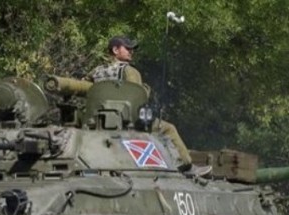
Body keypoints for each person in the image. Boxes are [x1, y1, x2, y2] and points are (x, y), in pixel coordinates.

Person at [89, 36, 211, 177]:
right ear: (115, 50)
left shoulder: (96, 72)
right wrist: (146, 89)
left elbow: (84, 90)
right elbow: (137, 98)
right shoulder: (130, 71)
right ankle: (187, 165)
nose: (131, 51)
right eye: (127, 48)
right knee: (168, 128)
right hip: (127, 121)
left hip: (98, 121)